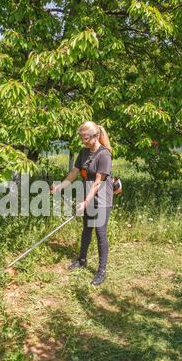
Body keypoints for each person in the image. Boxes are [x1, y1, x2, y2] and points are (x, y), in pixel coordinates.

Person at [50, 121, 113, 285]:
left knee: (100, 233)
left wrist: (85, 202)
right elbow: (74, 173)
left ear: (96, 136)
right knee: (86, 229)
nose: (83, 141)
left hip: (102, 199)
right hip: (88, 197)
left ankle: (101, 271)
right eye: (82, 138)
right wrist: (59, 187)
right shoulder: (84, 152)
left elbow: (98, 182)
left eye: (86, 138)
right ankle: (82, 259)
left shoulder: (104, 154)